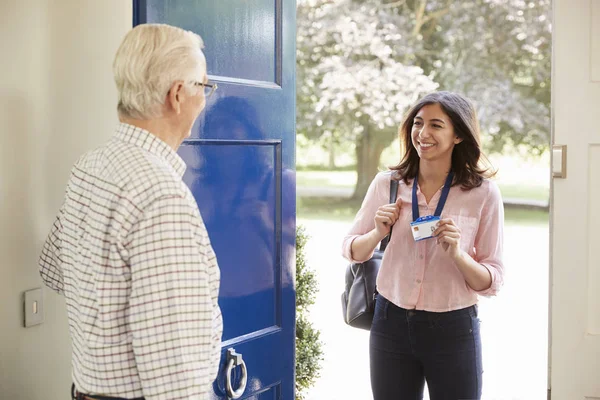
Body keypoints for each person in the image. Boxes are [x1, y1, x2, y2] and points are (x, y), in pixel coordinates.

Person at [38, 23, 222, 400]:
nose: (205, 98)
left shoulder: (90, 166)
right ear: (177, 95)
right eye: (203, 86)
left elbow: (53, 270)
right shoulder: (161, 197)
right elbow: (175, 380)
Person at [342, 91, 504, 399]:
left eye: (436, 125)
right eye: (418, 123)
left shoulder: (484, 194)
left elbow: (491, 280)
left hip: (454, 327)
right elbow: (352, 250)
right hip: (390, 323)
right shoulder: (387, 184)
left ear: (458, 135)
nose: (423, 133)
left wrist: (458, 255)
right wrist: (378, 232)